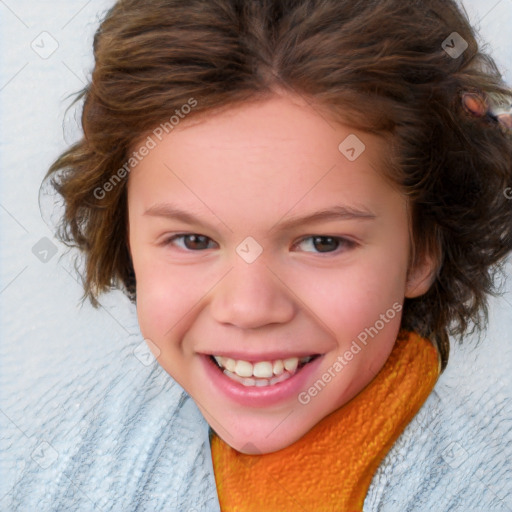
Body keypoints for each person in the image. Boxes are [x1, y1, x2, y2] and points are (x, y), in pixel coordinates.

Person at [42, 0, 512, 510]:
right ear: (125, 237)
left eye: (322, 243)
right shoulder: (65, 466)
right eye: (193, 241)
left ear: (422, 250)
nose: (248, 308)